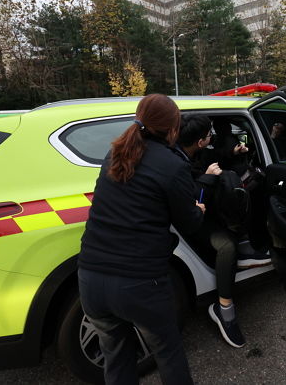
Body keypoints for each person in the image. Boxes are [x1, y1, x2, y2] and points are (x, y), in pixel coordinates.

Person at [78, 94, 205, 385]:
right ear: (173, 129)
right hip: (140, 283)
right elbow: (189, 224)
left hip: (91, 279)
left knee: (117, 356)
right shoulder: (174, 166)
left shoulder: (115, 152)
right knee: (168, 353)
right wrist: (198, 209)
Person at [177, 114, 270, 350]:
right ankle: (224, 309)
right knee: (226, 245)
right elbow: (189, 197)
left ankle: (245, 241)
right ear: (200, 141)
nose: (212, 137)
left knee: (237, 185)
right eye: (209, 134)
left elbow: (216, 156)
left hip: (203, 211)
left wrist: (234, 154)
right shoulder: (174, 163)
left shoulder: (194, 151)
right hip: (189, 217)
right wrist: (208, 177)